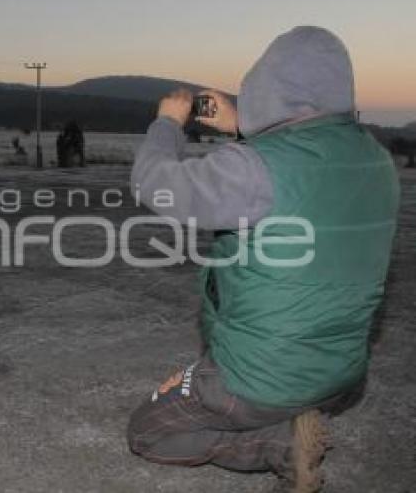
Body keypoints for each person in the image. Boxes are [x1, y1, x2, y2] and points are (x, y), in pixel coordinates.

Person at [126, 27, 399, 492]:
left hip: (260, 377)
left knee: (148, 432)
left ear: (267, 86)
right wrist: (243, 126)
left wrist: (168, 123)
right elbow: (305, 168)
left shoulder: (252, 167)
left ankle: (281, 445)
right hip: (341, 373)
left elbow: (154, 184)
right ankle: (292, 413)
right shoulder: (375, 160)